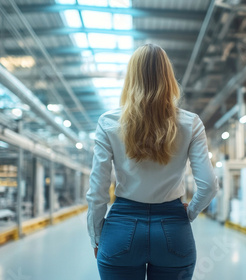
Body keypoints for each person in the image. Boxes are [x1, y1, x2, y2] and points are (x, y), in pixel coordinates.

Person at [86, 43, 218, 280]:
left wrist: (96, 236)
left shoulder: (108, 122)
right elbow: (208, 185)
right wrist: (191, 212)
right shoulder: (191, 123)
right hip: (173, 230)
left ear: (131, 78)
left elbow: (97, 191)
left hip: (121, 230)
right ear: (168, 77)